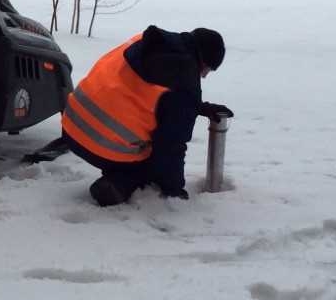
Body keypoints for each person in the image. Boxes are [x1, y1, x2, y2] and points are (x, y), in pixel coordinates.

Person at [60, 25, 231, 206]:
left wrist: (196, 107)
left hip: (72, 124)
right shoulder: (185, 79)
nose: (204, 76)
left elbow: (149, 91)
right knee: (153, 162)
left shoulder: (149, 42)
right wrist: (174, 190)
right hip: (100, 142)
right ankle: (117, 185)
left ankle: (118, 173)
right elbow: (171, 145)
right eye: (208, 70)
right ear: (203, 61)